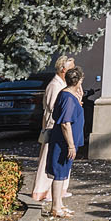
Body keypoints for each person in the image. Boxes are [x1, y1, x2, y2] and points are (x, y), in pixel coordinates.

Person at [42, 68, 86, 219]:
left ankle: (59, 204)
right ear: (78, 80)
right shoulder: (67, 97)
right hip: (64, 142)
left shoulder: (67, 94)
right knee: (59, 174)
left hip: (64, 140)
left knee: (63, 174)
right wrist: (71, 145)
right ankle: (55, 207)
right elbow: (65, 123)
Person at [29, 55, 72, 205]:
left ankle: (58, 190)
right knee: (48, 159)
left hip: (56, 126)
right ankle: (43, 190)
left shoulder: (61, 84)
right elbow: (56, 107)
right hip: (53, 127)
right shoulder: (55, 85)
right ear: (63, 69)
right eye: (71, 68)